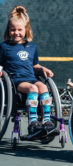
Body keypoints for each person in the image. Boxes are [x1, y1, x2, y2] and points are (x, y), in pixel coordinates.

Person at [0, 6, 55, 135]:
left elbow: (35, 65)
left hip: (31, 78)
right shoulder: (4, 46)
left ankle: (46, 121)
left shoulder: (32, 46)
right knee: (33, 89)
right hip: (15, 81)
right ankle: (33, 123)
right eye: (13, 30)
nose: (16, 32)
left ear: (26, 30)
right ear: (8, 30)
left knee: (42, 87)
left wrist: (43, 68)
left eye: (20, 29)